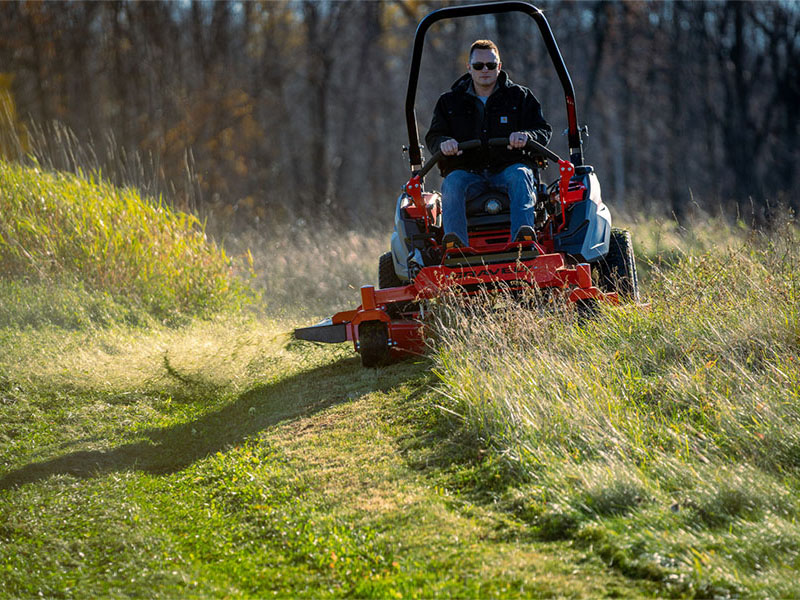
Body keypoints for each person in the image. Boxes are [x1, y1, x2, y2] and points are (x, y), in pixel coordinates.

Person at [425, 39, 552, 249]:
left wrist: (526, 136)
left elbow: (543, 131)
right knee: (452, 183)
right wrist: (444, 143)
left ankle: (522, 244)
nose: (485, 70)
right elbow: (433, 137)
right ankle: (457, 249)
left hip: (507, 170)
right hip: (467, 172)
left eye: (491, 65)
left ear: (499, 67)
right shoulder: (449, 102)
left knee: (521, 174)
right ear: (469, 68)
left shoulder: (520, 97)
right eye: (478, 65)